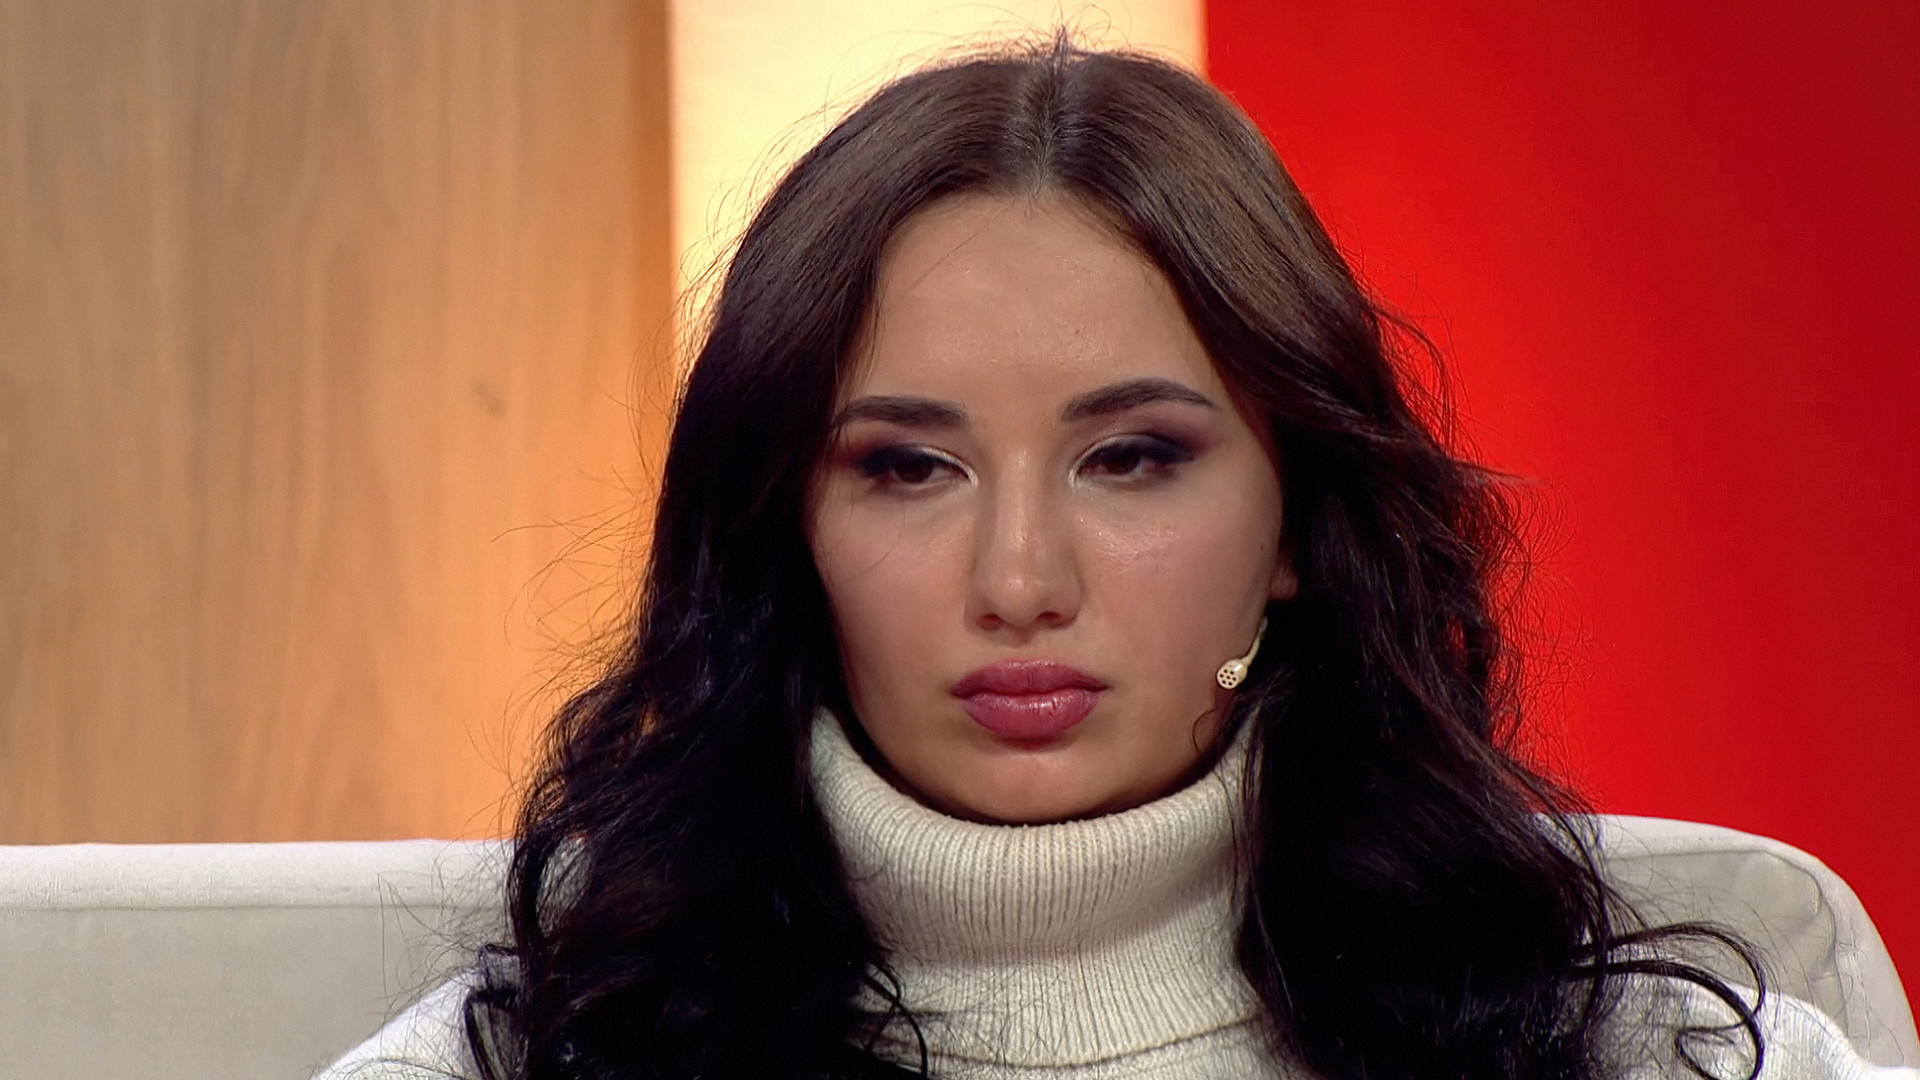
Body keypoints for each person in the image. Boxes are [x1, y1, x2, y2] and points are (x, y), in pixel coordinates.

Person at [320, 37, 1913, 1080]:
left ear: (1295, 525)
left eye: (1132, 458)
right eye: (907, 467)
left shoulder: (1655, 1056)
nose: (1020, 580)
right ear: (787, 524)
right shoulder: (524, 1060)